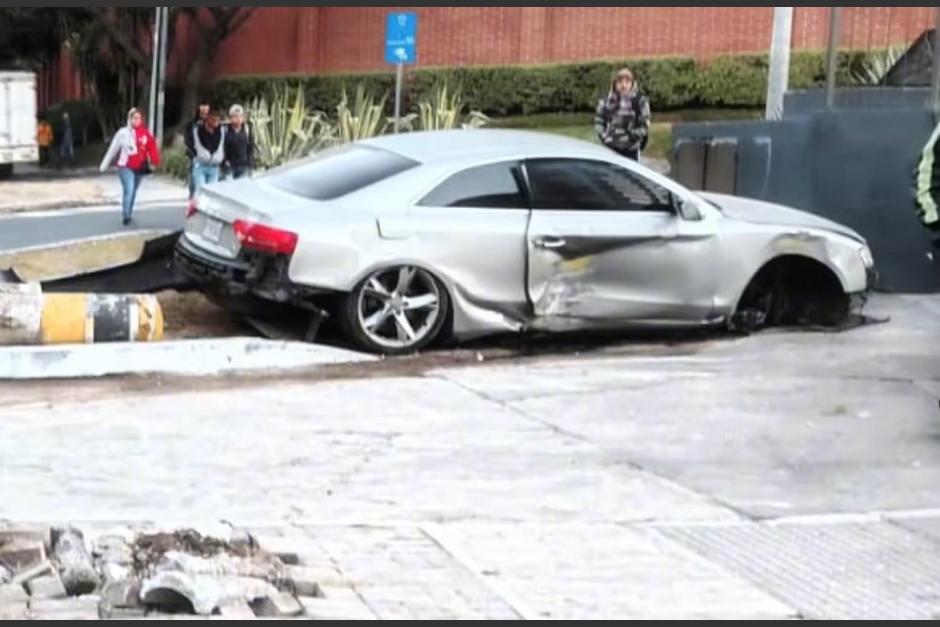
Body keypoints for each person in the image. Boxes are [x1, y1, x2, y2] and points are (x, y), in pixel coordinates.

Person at [99, 108, 160, 226]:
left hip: (140, 168)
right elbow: (113, 149)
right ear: (130, 119)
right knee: (129, 189)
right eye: (134, 118)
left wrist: (154, 162)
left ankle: (129, 213)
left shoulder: (145, 133)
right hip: (125, 167)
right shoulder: (123, 133)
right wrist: (104, 165)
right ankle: (126, 216)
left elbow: (151, 148)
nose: (137, 120)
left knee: (133, 191)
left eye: (138, 118)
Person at [593, 68, 651, 161]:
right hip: (611, 148)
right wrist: (605, 138)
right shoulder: (606, 100)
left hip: (631, 149)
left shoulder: (640, 101)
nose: (623, 86)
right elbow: (599, 121)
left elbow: (644, 125)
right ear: (615, 84)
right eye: (620, 82)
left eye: (627, 82)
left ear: (632, 83)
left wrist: (632, 135)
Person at [190, 109, 226, 195]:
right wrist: (195, 154)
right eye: (213, 119)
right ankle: (197, 205)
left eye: (218, 120)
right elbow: (190, 143)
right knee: (201, 191)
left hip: (214, 166)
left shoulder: (221, 131)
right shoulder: (197, 130)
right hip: (200, 165)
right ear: (207, 119)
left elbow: (224, 145)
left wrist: (222, 158)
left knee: (211, 193)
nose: (216, 122)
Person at [184, 102, 210, 198]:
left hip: (209, 154)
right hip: (194, 154)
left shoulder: (212, 122)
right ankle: (193, 195)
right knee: (193, 175)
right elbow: (187, 139)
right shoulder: (192, 123)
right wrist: (194, 152)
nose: (204, 113)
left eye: (206, 111)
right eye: (202, 111)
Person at [222, 104, 254, 180]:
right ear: (230, 118)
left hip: (244, 166)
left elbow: (250, 147)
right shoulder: (225, 130)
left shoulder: (247, 129)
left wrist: (249, 162)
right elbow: (222, 147)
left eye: (240, 116)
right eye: (235, 116)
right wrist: (224, 161)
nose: (238, 118)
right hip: (229, 167)